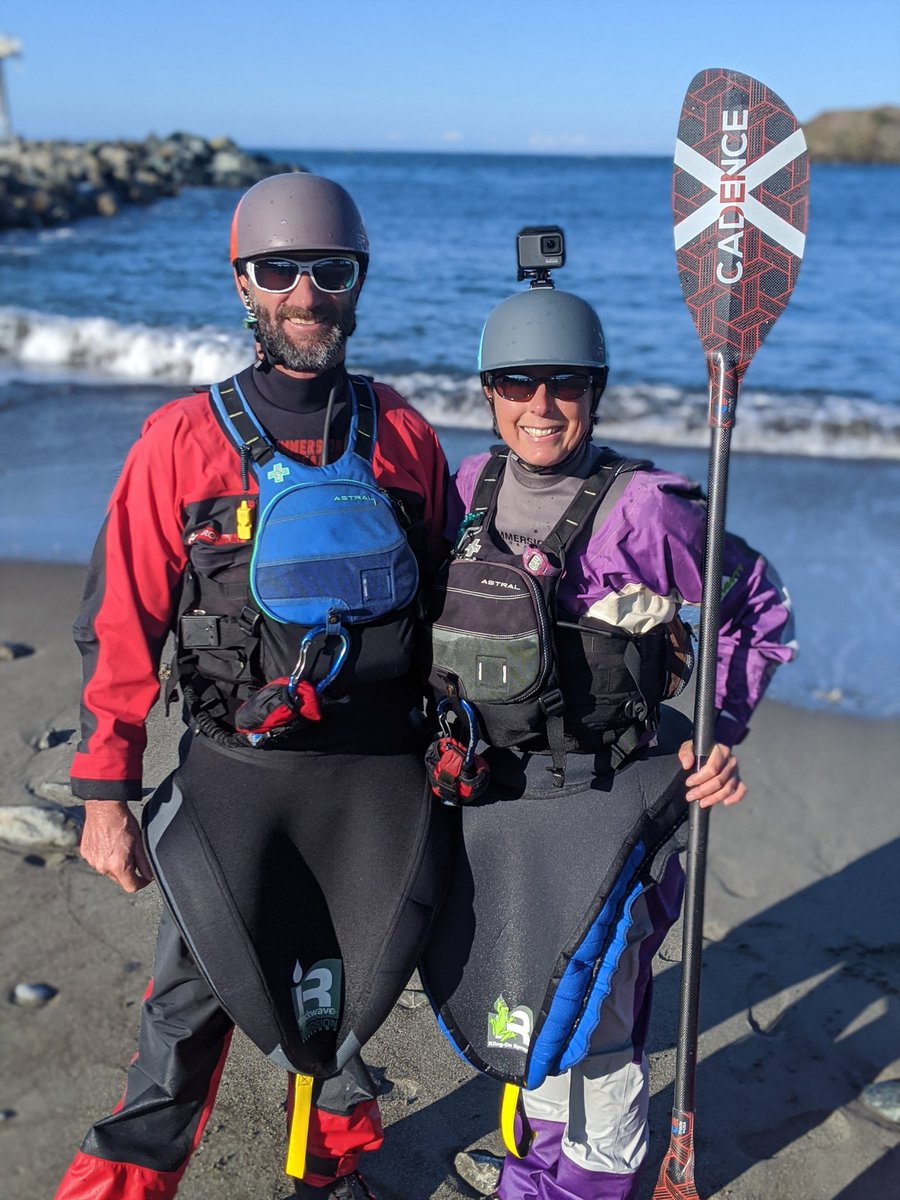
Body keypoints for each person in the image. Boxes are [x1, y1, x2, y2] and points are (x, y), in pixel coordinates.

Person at [54, 173, 448, 1200]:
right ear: (244, 284)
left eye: (331, 271)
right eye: (281, 271)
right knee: (185, 1015)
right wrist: (105, 794)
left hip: (376, 780)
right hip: (235, 778)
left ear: (358, 283)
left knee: (346, 1006)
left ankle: (332, 1174)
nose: (307, 293)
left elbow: (457, 602)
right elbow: (123, 622)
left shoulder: (404, 435)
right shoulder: (180, 441)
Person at [420, 273, 795, 1200]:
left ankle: (583, 1186)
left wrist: (720, 730)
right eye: (517, 384)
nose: (541, 407)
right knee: (529, 1008)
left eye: (567, 385)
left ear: (597, 389)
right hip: (496, 802)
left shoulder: (646, 511)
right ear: (488, 393)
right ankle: (532, 1174)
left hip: (605, 801)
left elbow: (758, 608)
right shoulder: (470, 487)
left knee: (599, 1030)